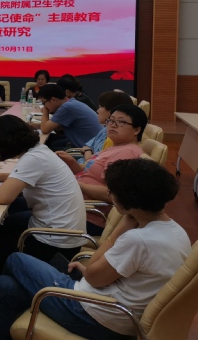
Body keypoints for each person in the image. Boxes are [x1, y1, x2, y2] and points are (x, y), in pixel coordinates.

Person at [0, 158, 190, 340]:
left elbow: (93, 277)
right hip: (114, 312)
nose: (110, 195)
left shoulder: (137, 239)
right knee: (5, 285)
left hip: (95, 318)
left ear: (129, 201)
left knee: (16, 260)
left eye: (112, 192)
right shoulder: (177, 232)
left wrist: (120, 229)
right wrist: (91, 271)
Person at [0, 115, 86, 279]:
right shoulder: (39, 151)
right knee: (9, 222)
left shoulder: (33, 159)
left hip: (55, 240)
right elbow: (28, 176)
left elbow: (2, 197)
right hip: (64, 229)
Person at [56, 104, 146, 235]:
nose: (113, 125)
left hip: (87, 216)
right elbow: (90, 176)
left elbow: (112, 195)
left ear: (136, 130)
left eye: (121, 122)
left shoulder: (126, 154)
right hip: (73, 205)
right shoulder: (116, 146)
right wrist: (71, 162)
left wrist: (75, 183)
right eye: (111, 120)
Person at [35, 83, 103, 151]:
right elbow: (57, 127)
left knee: (42, 149)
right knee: (51, 140)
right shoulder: (71, 102)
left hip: (88, 149)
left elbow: (45, 129)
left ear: (53, 100)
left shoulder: (66, 108)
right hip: (92, 143)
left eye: (44, 103)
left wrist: (45, 110)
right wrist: (35, 125)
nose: (44, 105)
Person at [75, 90, 134, 163]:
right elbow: (87, 147)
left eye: (100, 107)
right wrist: (88, 151)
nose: (97, 110)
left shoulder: (115, 137)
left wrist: (87, 153)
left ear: (112, 112)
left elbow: (93, 161)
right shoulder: (105, 129)